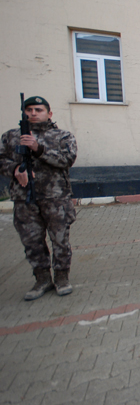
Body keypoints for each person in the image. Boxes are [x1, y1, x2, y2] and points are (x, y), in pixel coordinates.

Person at [0, 96, 78, 300]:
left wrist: (38, 148)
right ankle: (42, 279)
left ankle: (62, 278)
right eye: (29, 110)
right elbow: (1, 160)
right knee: (32, 242)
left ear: (49, 113)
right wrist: (15, 168)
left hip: (55, 198)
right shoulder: (10, 137)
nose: (33, 113)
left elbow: (67, 160)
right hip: (24, 198)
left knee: (60, 241)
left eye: (38, 109)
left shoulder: (62, 136)